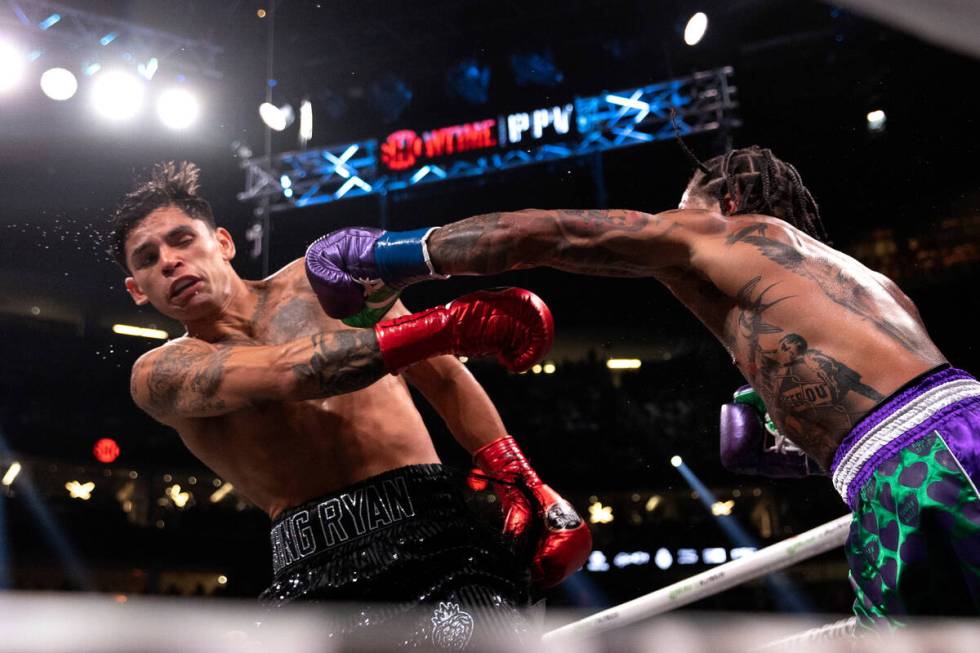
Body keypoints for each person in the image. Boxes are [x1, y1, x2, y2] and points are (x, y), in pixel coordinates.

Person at [306, 145, 980, 623]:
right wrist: (797, 444)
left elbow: (548, 235)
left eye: (679, 208)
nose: (669, 225)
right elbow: (913, 402)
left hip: (915, 469)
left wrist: (391, 255)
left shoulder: (718, 227)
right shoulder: (865, 284)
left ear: (729, 200)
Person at [107, 162, 591, 647]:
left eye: (182, 239)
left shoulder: (320, 281)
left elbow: (440, 374)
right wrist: (447, 325)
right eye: (147, 258)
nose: (169, 261)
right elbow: (288, 373)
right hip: (312, 570)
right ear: (137, 291)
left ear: (223, 242)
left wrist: (517, 475)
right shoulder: (158, 374)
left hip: (435, 527)